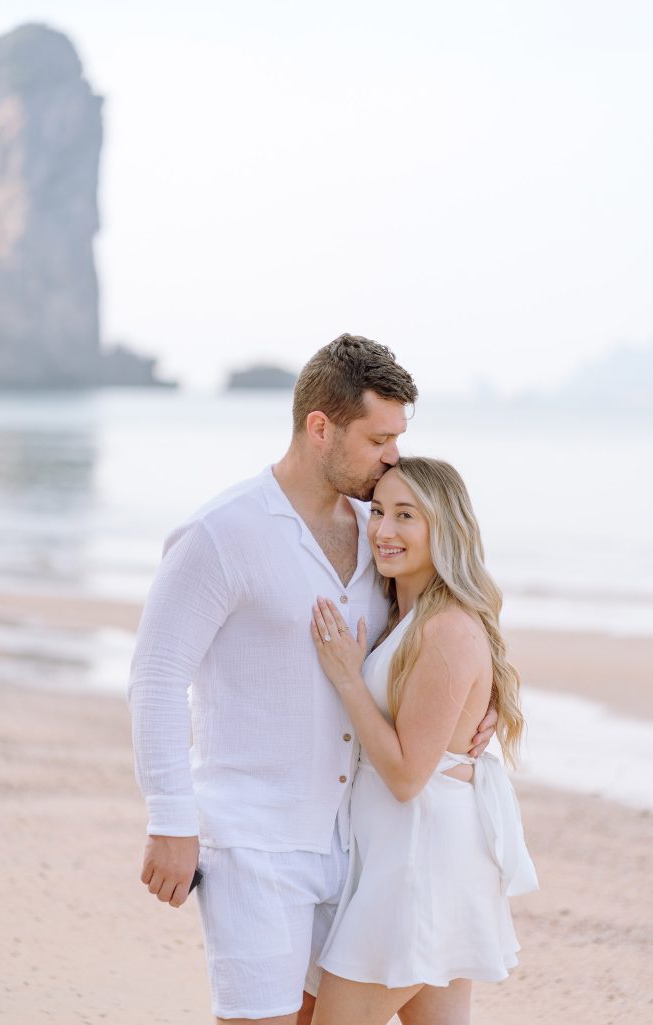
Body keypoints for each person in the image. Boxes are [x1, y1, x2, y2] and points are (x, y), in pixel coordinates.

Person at [128, 335, 498, 1025]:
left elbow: (441, 626)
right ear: (319, 427)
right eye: (378, 437)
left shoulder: (377, 530)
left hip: (359, 844)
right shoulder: (220, 532)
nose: (392, 456)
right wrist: (169, 819)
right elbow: (155, 677)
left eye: (398, 438)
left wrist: (488, 704)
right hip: (255, 843)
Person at [308, 456, 539, 1025]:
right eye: (379, 512)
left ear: (446, 528)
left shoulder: (446, 628)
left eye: (406, 515)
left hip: (421, 863)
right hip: (410, 855)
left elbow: (409, 777)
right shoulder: (406, 618)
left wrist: (345, 677)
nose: (384, 531)